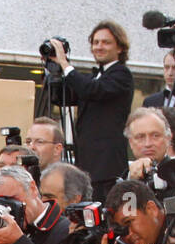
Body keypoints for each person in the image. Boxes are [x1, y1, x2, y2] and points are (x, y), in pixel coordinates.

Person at [48, 21, 135, 200]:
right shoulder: (94, 76)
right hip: (86, 162)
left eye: (105, 42)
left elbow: (92, 90)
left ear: (120, 48)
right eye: (95, 42)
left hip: (106, 166)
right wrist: (52, 68)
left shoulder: (121, 75)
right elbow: (64, 98)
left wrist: (65, 64)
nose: (99, 47)